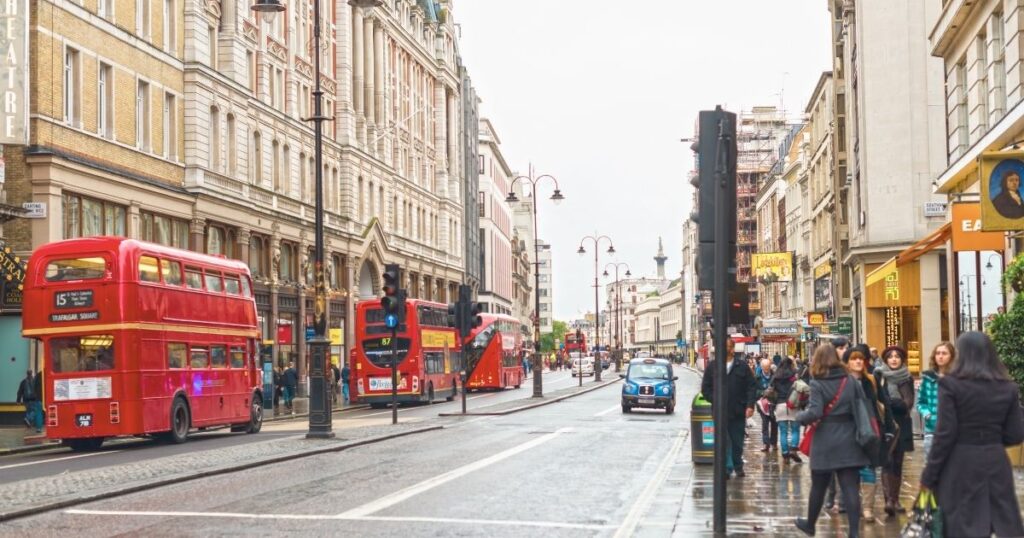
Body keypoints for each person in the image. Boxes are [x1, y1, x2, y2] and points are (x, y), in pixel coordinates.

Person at [920, 331, 1024, 537]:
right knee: (1000, 519)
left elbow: (945, 433)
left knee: (963, 522)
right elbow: (1015, 434)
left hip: (960, 462)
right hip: (995, 460)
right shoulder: (1007, 387)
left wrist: (930, 475)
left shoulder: (951, 384)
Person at [794, 344, 869, 537]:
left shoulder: (817, 383)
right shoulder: (850, 380)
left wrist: (800, 417)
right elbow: (861, 406)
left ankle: (810, 524)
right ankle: (854, 532)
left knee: (818, 486)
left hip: (825, 439)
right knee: (850, 486)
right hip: (849, 438)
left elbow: (816, 412)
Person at [843, 344, 889, 524]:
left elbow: (882, 403)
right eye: (853, 359)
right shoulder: (843, 382)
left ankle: (868, 508)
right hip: (849, 430)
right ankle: (854, 506)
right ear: (847, 363)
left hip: (870, 428)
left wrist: (887, 429)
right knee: (851, 471)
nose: (857, 362)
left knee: (869, 468)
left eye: (860, 359)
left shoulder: (871, 380)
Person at [700, 338, 758, 478]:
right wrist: (714, 398)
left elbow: (752, 387)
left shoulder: (742, 366)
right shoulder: (713, 366)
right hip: (720, 411)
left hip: (737, 410)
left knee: (737, 441)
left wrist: (750, 405)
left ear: (732, 349)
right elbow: (705, 388)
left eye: (727, 347)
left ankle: (738, 465)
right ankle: (727, 467)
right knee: (723, 440)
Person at [875, 345, 915, 517]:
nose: (894, 359)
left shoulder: (907, 378)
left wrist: (891, 402)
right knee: (887, 460)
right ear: (885, 359)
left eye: (897, 356)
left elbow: (908, 402)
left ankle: (896, 499)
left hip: (902, 423)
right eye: (890, 356)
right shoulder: (879, 375)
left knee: (898, 462)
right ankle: (888, 500)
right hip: (886, 423)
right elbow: (877, 399)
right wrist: (893, 403)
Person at [916, 341, 955, 458]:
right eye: (938, 353)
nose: (940, 356)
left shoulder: (957, 378)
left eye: (944, 353)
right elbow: (921, 402)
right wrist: (926, 413)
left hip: (952, 429)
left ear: (951, 356)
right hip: (931, 429)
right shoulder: (928, 377)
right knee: (932, 466)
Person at [772, 356, 802, 464]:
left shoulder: (776, 376)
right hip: (793, 404)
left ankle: (785, 455)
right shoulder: (794, 375)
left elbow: (772, 389)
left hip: (780, 405)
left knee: (783, 432)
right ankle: (793, 449)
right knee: (795, 429)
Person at [755, 357, 778, 453]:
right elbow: (754, 391)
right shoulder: (757, 377)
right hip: (763, 405)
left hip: (773, 404)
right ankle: (766, 443)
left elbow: (778, 388)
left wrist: (773, 393)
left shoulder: (775, 376)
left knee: (774, 424)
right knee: (765, 424)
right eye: (765, 367)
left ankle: (774, 442)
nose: (767, 369)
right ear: (761, 367)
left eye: (768, 366)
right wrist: (763, 393)